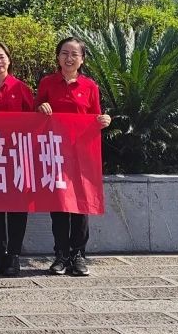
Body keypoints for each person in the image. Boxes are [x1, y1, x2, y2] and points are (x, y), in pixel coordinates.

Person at [38, 37, 112, 276]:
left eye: (74, 54)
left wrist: (104, 120)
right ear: (57, 57)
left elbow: (95, 118)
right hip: (56, 154)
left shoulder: (90, 86)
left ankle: (78, 255)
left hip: (82, 155)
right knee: (59, 205)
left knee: (81, 205)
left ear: (82, 59)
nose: (69, 58)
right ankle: (61, 255)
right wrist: (40, 108)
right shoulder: (47, 83)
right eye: (64, 53)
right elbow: (34, 116)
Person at [0, 41, 36, 276]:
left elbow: (33, 121)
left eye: (1, 57)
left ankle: (14, 254)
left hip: (17, 155)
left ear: (9, 60)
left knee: (18, 205)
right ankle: (0, 252)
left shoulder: (21, 88)